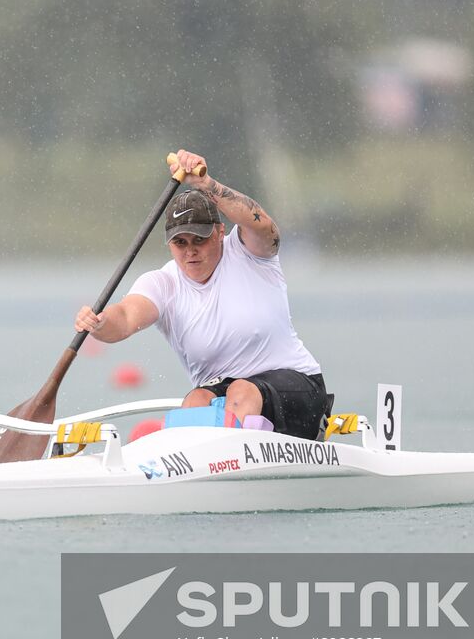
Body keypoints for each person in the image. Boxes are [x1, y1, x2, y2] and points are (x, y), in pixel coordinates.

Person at [74, 149, 328, 439]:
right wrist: (100, 323)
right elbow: (126, 316)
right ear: (169, 244)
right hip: (230, 395)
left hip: (300, 392)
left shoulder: (251, 253)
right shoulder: (163, 283)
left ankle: (235, 450)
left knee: (242, 390)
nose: (190, 250)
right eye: (180, 242)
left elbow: (261, 222)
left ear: (220, 232)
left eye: (200, 239)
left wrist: (207, 185)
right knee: (194, 400)